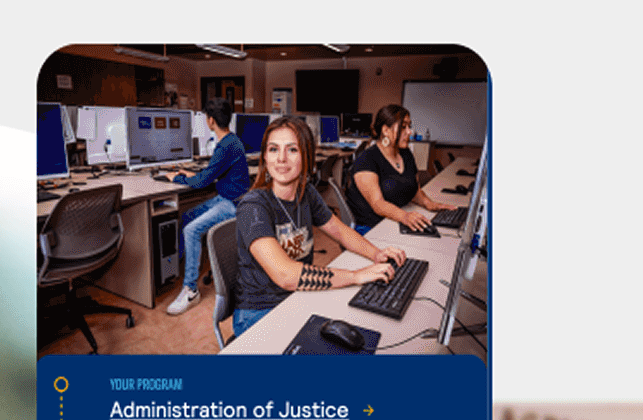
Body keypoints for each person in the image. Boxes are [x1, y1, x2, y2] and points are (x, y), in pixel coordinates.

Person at [228, 114, 407, 339]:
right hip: (259, 311)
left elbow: (340, 231)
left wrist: (377, 253)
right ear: (265, 156)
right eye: (273, 149)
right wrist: (355, 275)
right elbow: (285, 275)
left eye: (292, 150)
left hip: (297, 296)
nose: (281, 159)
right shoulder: (253, 206)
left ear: (306, 157)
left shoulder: (306, 193)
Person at [163, 106, 250, 316]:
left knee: (191, 230)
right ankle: (178, 267)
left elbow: (203, 182)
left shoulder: (225, 146)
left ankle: (191, 290)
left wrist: (178, 178)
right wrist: (193, 173)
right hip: (227, 196)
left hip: (231, 204)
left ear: (211, 120)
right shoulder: (231, 140)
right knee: (187, 216)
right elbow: (212, 172)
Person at [341, 105, 457, 235]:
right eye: (403, 127)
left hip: (393, 220)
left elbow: (415, 191)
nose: (409, 132)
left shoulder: (406, 154)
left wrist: (429, 204)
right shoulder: (367, 160)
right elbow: (378, 204)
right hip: (370, 228)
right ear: (386, 130)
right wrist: (405, 216)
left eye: (409, 126)